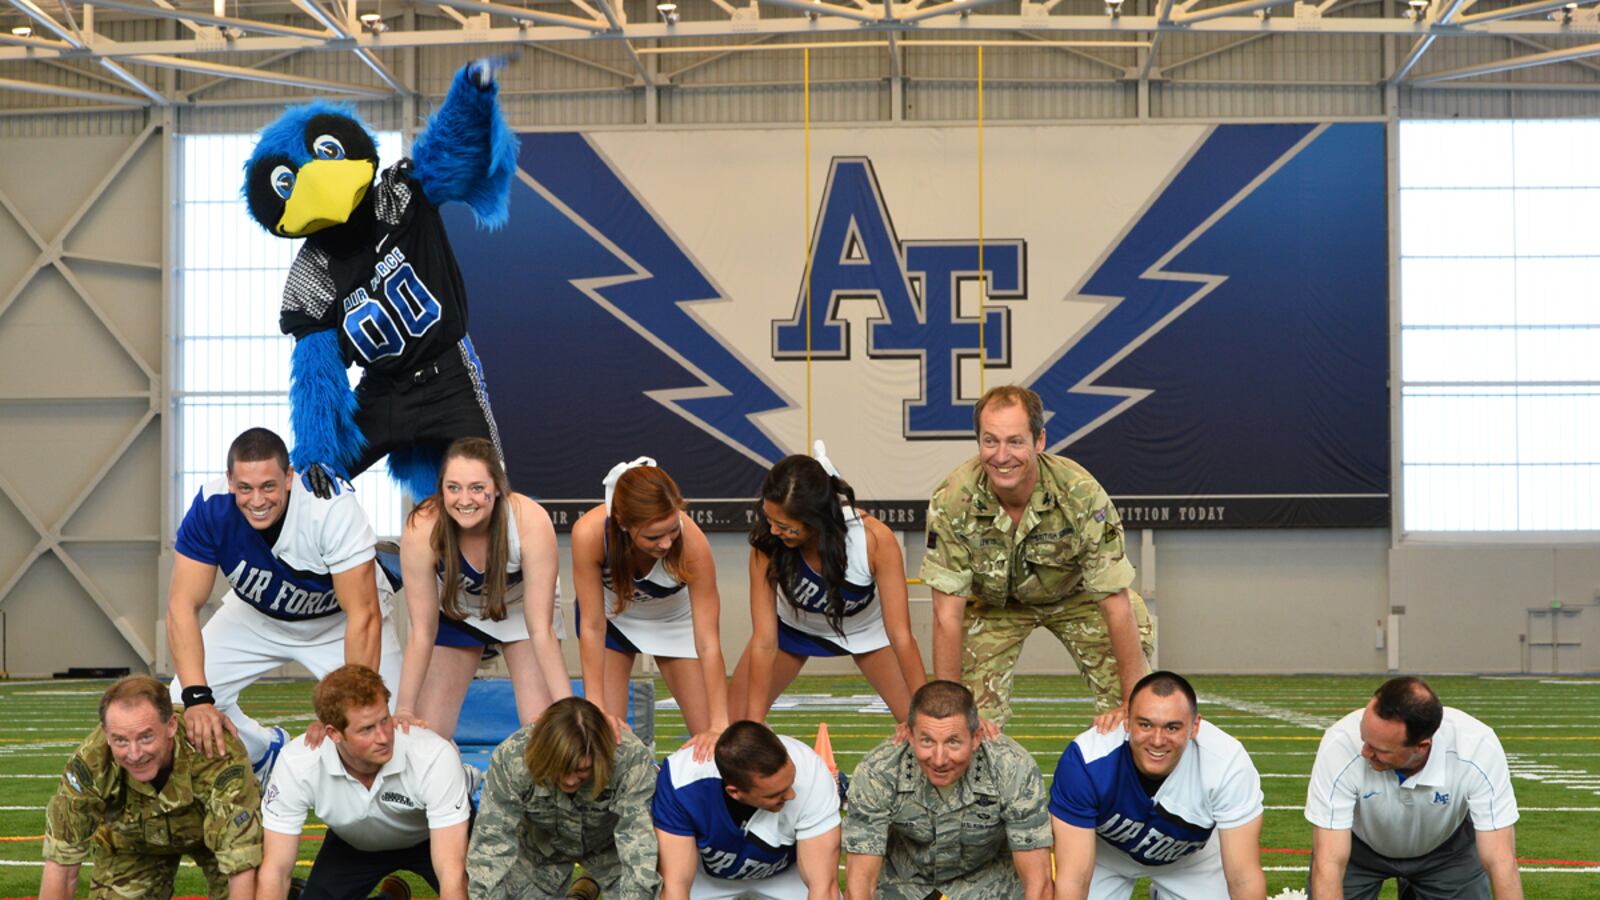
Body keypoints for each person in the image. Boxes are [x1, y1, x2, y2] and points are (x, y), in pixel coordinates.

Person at [167, 427, 401, 777]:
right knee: (182, 700)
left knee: (381, 731)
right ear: (230, 481)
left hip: (338, 623)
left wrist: (345, 709)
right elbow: (181, 606)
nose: (257, 500)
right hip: (257, 616)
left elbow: (363, 615)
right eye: (245, 488)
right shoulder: (211, 506)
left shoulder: (330, 507)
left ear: (289, 477)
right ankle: (263, 753)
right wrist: (198, 698)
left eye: (268, 487)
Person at [920, 384, 1153, 731]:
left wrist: (1134, 702)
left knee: (1135, 707)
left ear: (1039, 441)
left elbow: (1114, 601)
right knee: (968, 722)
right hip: (994, 607)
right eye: (990, 441)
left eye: (1015, 441)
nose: (1001, 456)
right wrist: (950, 712)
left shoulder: (1081, 494)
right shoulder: (953, 500)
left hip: (1078, 597)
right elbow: (946, 615)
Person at [730, 446, 926, 724]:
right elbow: (764, 641)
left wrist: (926, 711)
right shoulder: (766, 543)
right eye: (769, 519)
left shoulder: (873, 540)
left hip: (865, 630)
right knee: (737, 726)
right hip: (792, 628)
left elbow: (901, 636)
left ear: (816, 521)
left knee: (919, 724)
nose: (774, 530)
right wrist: (754, 722)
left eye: (785, 527)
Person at [393, 437, 570, 739]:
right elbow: (422, 630)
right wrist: (405, 709)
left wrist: (568, 705)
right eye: (453, 488)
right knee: (427, 735)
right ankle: (460, 777)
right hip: (457, 613)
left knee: (542, 729)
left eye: (477, 488)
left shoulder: (529, 521)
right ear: (441, 489)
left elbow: (541, 629)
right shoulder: (422, 528)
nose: (464, 499)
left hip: (520, 614)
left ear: (498, 488)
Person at [258, 665, 471, 900]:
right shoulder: (297, 763)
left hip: (431, 836)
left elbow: (452, 872)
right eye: (367, 729)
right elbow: (276, 870)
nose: (383, 737)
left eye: (384, 720)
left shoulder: (433, 755)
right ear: (334, 734)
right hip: (354, 842)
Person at [40, 675, 262, 900]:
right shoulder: (90, 763)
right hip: (135, 842)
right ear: (106, 735)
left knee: (258, 889)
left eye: (146, 737)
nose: (134, 754)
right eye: (121, 741)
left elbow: (241, 865)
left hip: (214, 836)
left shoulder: (216, 753)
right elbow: (62, 865)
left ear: (171, 726)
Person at [1049, 671, 1266, 900]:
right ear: (1127, 720)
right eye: (1145, 725)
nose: (1158, 740)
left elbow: (1244, 878)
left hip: (1190, 860)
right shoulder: (1087, 759)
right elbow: (1074, 878)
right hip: (1105, 858)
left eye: (1172, 728)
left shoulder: (1227, 763)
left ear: (1195, 726)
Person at [1305, 676, 1523, 900]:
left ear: (1421, 747)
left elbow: (1501, 861)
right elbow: (1329, 860)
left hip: (1447, 852)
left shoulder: (1477, 747)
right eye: (1364, 738)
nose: (1364, 752)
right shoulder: (1340, 743)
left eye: (1379, 749)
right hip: (1357, 850)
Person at [570, 458, 730, 753]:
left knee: (717, 742)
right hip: (614, 620)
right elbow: (592, 626)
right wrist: (597, 706)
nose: (667, 544)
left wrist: (719, 723)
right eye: (653, 536)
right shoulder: (589, 534)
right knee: (606, 739)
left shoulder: (693, 543)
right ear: (621, 522)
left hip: (674, 621)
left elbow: (708, 641)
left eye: (672, 530)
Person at [843, 680, 1053, 900]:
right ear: (909, 736)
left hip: (988, 878)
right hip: (904, 878)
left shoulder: (1013, 767)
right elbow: (860, 880)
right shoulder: (878, 771)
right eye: (927, 741)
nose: (939, 759)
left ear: (976, 739)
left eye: (953, 742)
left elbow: (1038, 881)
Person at [467, 696, 661, 899]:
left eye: (582, 770)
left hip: (611, 851)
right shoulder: (513, 758)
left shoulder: (629, 758)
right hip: (541, 852)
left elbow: (638, 844)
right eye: (560, 769)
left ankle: (588, 884)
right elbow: (491, 844)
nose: (569, 781)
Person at [653, 720, 842, 900]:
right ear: (735, 792)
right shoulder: (681, 781)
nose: (791, 795)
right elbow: (675, 885)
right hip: (708, 879)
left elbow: (823, 887)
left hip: (786, 874)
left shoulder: (811, 772)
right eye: (775, 794)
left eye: (791, 783)